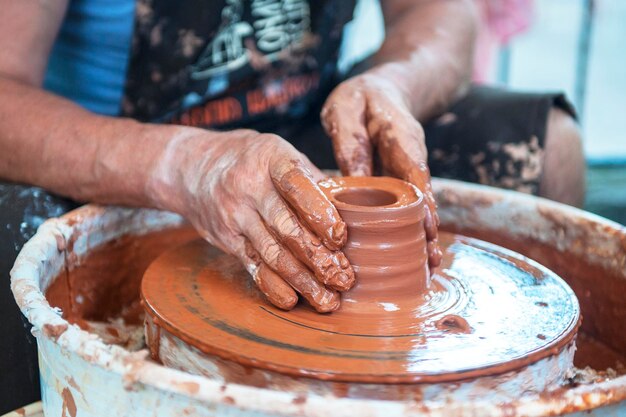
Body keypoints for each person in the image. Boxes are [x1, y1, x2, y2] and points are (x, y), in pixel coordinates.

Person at [0, 0, 585, 412]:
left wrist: (395, 82)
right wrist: (181, 163)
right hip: (130, 151)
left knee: (542, 146)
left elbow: (442, 13)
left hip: (304, 126)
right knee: (21, 238)